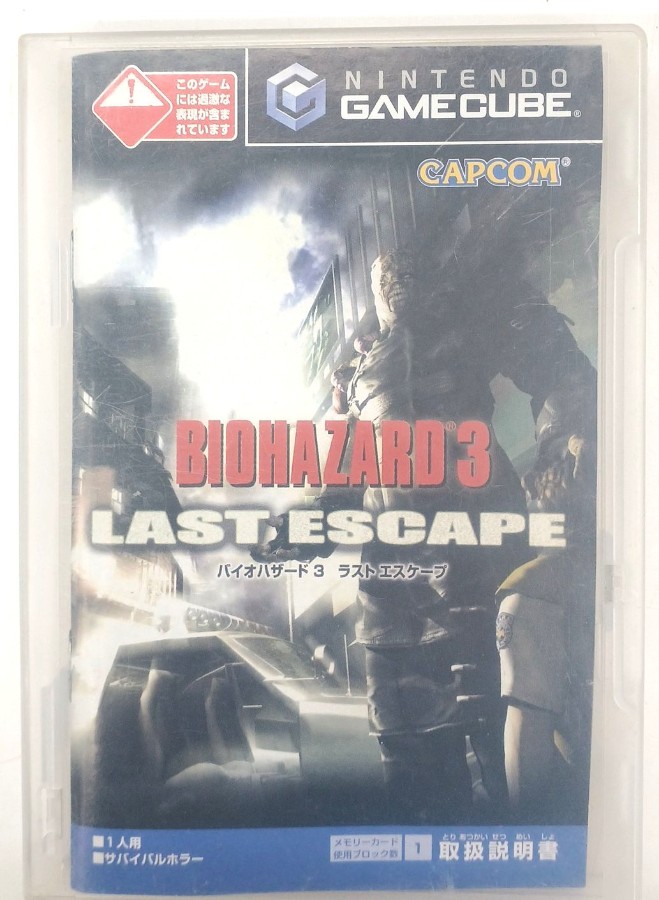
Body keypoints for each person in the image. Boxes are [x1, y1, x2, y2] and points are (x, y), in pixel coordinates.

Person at [257, 248, 596, 824]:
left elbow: (562, 374)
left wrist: (561, 448)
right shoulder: (361, 370)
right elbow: (341, 474)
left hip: (480, 560)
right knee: (414, 769)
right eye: (386, 277)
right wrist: (305, 523)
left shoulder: (475, 317)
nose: (396, 282)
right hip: (394, 593)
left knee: (509, 744)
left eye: (406, 271)